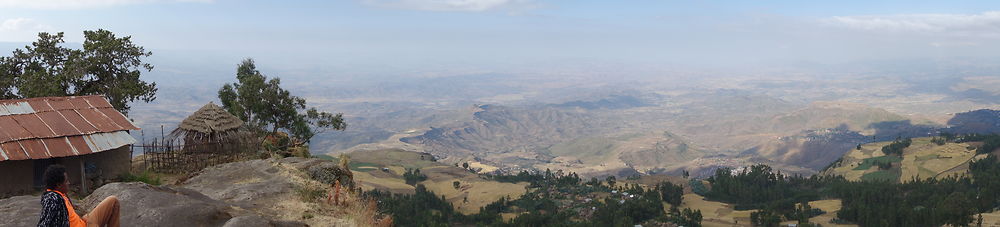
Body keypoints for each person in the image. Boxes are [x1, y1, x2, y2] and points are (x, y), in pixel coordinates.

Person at [37, 165, 120, 227]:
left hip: (84, 221)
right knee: (113, 200)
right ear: (58, 184)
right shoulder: (53, 199)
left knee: (113, 201)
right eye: (66, 181)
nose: (69, 183)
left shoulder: (60, 193)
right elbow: (46, 222)